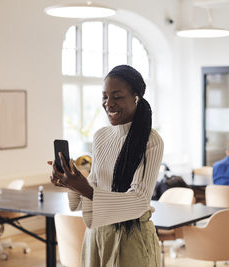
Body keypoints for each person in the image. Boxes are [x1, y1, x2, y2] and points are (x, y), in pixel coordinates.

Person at [48, 65, 164, 266]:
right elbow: (91, 192)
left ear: (135, 97)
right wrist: (71, 182)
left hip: (132, 237)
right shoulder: (101, 136)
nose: (108, 103)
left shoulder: (151, 141)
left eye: (117, 96)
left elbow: (138, 201)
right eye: (105, 96)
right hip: (97, 235)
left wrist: (84, 188)